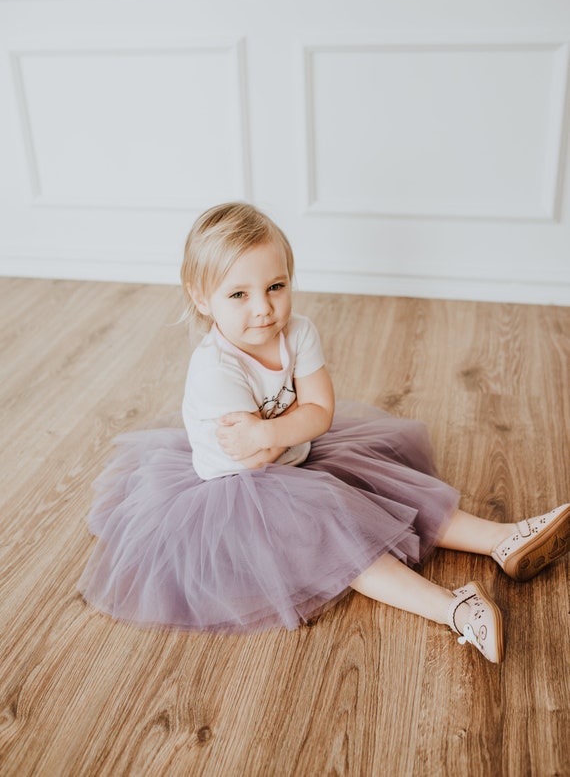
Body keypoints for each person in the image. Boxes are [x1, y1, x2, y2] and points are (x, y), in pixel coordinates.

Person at [79, 202, 570, 663]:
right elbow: (254, 461)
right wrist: (281, 433)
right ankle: (453, 608)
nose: (263, 309)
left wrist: (272, 432)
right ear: (200, 297)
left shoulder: (299, 332)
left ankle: (502, 539)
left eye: (276, 286)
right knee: (341, 532)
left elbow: (322, 414)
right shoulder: (213, 371)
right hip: (240, 491)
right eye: (239, 295)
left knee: (388, 488)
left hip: (294, 453)